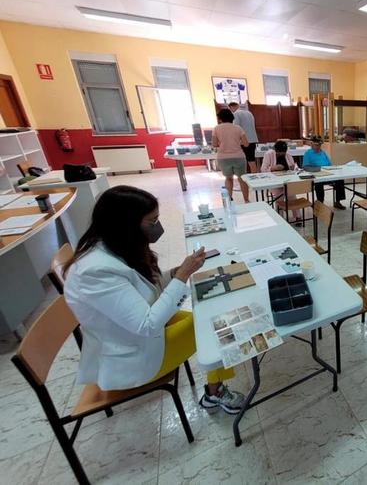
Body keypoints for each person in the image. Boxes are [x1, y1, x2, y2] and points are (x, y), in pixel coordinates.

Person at [63, 186, 243, 413]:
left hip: (138, 334)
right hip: (135, 356)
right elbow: (147, 325)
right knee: (218, 327)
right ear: (126, 224)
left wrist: (174, 273)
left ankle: (215, 389)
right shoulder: (94, 271)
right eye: (152, 221)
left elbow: (143, 289)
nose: (157, 226)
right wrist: (181, 277)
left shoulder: (115, 246)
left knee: (210, 315)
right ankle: (214, 395)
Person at [261, 140, 303, 224]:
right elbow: (263, 170)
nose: (282, 154)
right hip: (274, 182)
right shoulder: (269, 154)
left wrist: (292, 167)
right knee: (279, 196)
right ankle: (280, 217)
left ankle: (297, 216)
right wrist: (273, 168)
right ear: (275, 151)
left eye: (284, 152)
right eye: (280, 153)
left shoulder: (287, 154)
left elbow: (294, 167)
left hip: (287, 180)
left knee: (291, 194)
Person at [213, 108, 250, 203]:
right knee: (242, 179)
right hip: (238, 156)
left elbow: (214, 144)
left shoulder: (216, 128)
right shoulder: (238, 128)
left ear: (220, 119)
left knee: (228, 179)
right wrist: (237, 142)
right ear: (232, 117)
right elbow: (246, 144)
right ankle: (246, 200)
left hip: (223, 157)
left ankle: (229, 200)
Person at [302, 136, 346, 210]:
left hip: (326, 173)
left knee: (340, 180)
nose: (318, 147)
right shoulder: (308, 153)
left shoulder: (323, 152)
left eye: (319, 145)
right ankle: (320, 202)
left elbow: (329, 164)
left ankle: (338, 202)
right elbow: (305, 167)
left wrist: (332, 169)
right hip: (316, 174)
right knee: (319, 183)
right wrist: (317, 169)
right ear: (311, 144)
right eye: (316, 145)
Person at [229, 102, 259, 173]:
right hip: (253, 139)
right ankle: (255, 176)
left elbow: (236, 128)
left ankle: (244, 177)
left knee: (243, 161)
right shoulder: (249, 113)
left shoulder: (236, 113)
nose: (231, 111)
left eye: (230, 109)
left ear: (232, 107)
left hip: (243, 141)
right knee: (251, 160)